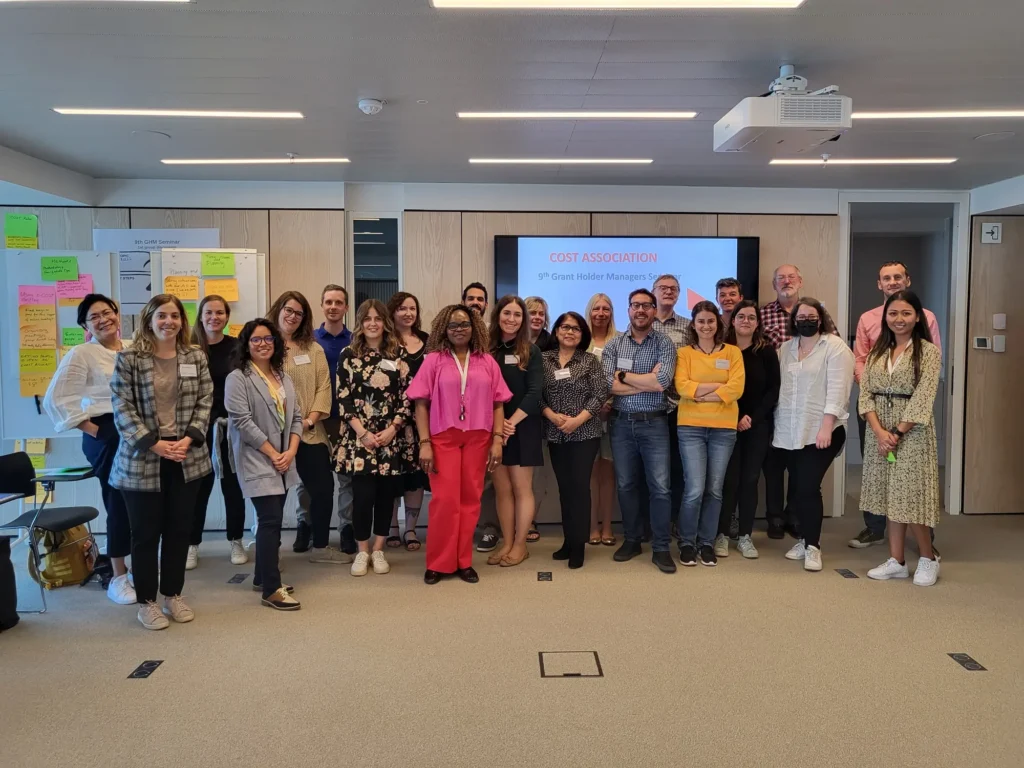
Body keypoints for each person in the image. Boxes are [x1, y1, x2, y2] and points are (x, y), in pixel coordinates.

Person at [110, 294, 213, 631]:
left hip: (186, 457)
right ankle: (147, 602)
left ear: (183, 321)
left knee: (178, 532)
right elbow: (122, 407)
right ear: (149, 320)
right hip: (142, 459)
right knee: (144, 534)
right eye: (162, 316)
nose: (169, 322)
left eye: (175, 316)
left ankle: (172, 594)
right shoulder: (129, 358)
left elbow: (205, 400)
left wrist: (187, 439)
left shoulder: (194, 355)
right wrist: (154, 445)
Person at [407, 305, 512, 584]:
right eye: (453, 325)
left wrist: (497, 440)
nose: (458, 329)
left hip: (479, 438)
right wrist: (424, 443)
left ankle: (463, 561)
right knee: (444, 501)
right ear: (444, 328)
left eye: (464, 324)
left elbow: (499, 403)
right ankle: (439, 562)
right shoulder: (433, 360)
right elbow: (420, 403)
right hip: (443, 438)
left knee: (470, 501)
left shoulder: (487, 361)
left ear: (474, 327)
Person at [43, 293, 136, 605]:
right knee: (118, 502)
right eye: (94, 316)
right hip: (106, 432)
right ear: (85, 325)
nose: (104, 319)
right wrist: (95, 430)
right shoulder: (82, 353)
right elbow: (55, 398)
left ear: (117, 315)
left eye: (108, 312)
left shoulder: (134, 348)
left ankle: (136, 567)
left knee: (141, 503)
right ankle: (118, 577)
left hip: (137, 430)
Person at [850, 262, 942, 550]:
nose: (898, 318)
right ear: (879, 284)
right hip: (877, 414)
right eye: (886, 278)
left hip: (909, 422)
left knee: (910, 485)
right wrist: (879, 430)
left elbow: (927, 381)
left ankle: (926, 547)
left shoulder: (927, 330)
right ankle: (883, 539)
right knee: (881, 477)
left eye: (897, 277)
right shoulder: (870, 324)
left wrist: (897, 433)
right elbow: (860, 363)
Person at [225, 319, 304, 611]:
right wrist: (274, 453)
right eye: (256, 339)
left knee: (273, 518)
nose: (262, 344)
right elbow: (242, 422)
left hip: (284, 458)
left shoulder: (283, 377)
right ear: (246, 344)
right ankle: (271, 589)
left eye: (268, 339)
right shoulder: (238, 378)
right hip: (257, 457)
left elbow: (296, 417)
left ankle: (261, 576)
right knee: (270, 521)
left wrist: (291, 451)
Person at [773, 298, 854, 573]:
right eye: (801, 316)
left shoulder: (834, 347)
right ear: (793, 319)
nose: (806, 320)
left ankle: (813, 546)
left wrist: (826, 426)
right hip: (791, 430)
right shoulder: (785, 348)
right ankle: (806, 537)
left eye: (812, 316)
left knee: (808, 487)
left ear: (821, 319)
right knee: (797, 488)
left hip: (823, 431)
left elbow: (839, 389)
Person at [268, 291, 348, 565]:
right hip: (273, 436)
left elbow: (324, 389)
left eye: (298, 313)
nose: (292, 316)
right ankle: (271, 551)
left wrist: (310, 420)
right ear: (278, 310)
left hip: (309, 432)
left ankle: (322, 547)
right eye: (288, 310)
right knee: (274, 494)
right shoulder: (264, 346)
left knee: (323, 489)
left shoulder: (313, 349)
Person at [602, 288, 678, 574]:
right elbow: (608, 385)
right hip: (621, 423)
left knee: (660, 488)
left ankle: (661, 548)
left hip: (654, 423)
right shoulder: (613, 345)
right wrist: (643, 381)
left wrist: (624, 377)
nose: (641, 310)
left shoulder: (665, 344)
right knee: (626, 485)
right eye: (636, 305)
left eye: (647, 305)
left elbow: (662, 381)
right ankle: (632, 540)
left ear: (654, 311)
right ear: (629, 310)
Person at [335, 300, 412, 577]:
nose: (372, 323)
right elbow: (343, 398)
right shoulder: (348, 354)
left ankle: (379, 549)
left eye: (378, 318)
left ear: (385, 322)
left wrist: (394, 428)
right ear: (359, 322)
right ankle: (362, 551)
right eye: (367, 318)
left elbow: (407, 396)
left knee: (385, 497)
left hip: (390, 436)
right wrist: (363, 433)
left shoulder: (397, 354)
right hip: (359, 439)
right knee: (363, 497)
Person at [674, 301, 744, 567]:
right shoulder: (684, 354)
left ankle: (706, 543)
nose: (706, 326)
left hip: (723, 429)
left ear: (718, 324)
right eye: (701, 321)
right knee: (693, 489)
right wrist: (718, 388)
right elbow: (682, 386)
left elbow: (736, 389)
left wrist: (701, 391)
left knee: (714, 490)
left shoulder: (733, 353)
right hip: (691, 427)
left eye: (711, 321)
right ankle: (687, 542)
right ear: (693, 324)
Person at [541, 311, 607, 568]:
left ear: (582, 334)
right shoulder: (543, 359)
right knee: (565, 489)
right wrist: (549, 414)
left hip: (584, 432)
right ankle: (568, 541)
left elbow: (600, 392)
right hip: (555, 431)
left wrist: (577, 420)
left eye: (576, 328)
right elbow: (536, 392)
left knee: (579, 489)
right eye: (565, 327)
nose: (570, 332)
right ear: (556, 331)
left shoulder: (589, 360)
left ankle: (578, 545)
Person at [186, 295, 246, 570]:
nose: (214, 317)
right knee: (198, 490)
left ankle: (236, 540)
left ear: (226, 316)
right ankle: (191, 544)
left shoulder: (237, 348)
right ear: (200, 315)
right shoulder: (188, 348)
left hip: (228, 428)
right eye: (208, 312)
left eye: (219, 312)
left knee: (232, 487)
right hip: (196, 431)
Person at [719, 300, 780, 560]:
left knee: (750, 480)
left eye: (751, 317)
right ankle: (722, 534)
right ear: (732, 321)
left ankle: (745, 535)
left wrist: (751, 419)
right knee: (728, 481)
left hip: (756, 425)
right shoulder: (722, 351)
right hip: (725, 423)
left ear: (758, 322)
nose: (745, 321)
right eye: (740, 316)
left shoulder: (766, 351)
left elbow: (772, 391)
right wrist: (733, 417)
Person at [487, 295, 544, 567]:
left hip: (523, 425)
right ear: (498, 315)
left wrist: (510, 423)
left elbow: (535, 393)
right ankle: (507, 542)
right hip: (493, 428)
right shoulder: (486, 349)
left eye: (517, 315)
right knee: (502, 489)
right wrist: (498, 426)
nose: (511, 319)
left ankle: (520, 545)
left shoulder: (530, 351)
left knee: (522, 489)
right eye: (507, 313)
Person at [301, 284, 356, 555]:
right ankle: (305, 523)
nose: (333, 307)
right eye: (328, 302)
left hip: (344, 419)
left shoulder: (355, 341)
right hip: (315, 417)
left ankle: (346, 528)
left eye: (339, 302)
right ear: (322, 306)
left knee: (346, 476)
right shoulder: (308, 341)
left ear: (346, 308)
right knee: (309, 477)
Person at [760, 264, 805, 539]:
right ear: (773, 284)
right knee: (773, 463)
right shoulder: (763, 314)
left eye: (791, 277)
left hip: (804, 401)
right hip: (773, 398)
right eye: (780, 278)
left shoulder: (814, 314)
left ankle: (795, 515)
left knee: (800, 463)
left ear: (800, 281)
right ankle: (775, 516)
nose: (786, 281)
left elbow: (832, 347)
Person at [388, 291, 431, 551]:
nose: (408, 313)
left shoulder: (428, 341)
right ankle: (393, 526)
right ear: (393, 312)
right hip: (393, 421)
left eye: (412, 308)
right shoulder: (384, 342)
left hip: (422, 420)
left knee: (416, 473)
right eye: (402, 308)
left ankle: (411, 529)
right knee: (393, 473)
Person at [651, 274, 689, 541]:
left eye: (673, 289)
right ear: (653, 292)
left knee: (676, 468)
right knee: (649, 470)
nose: (668, 292)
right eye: (662, 288)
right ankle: (647, 525)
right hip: (647, 407)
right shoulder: (638, 323)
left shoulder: (689, 326)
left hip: (678, 407)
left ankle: (673, 521)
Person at [585, 293, 619, 546]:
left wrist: (608, 403)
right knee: (589, 474)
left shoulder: (619, 341)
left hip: (612, 414)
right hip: (584, 417)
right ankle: (591, 526)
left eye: (606, 308)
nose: (600, 313)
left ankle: (607, 526)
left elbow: (624, 376)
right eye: (596, 308)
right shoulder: (580, 340)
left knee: (607, 474)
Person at [523, 295, 552, 542]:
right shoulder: (507, 343)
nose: (537, 317)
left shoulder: (552, 344)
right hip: (509, 416)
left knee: (535, 476)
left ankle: (530, 520)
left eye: (541, 313)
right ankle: (493, 525)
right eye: (532, 312)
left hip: (541, 417)